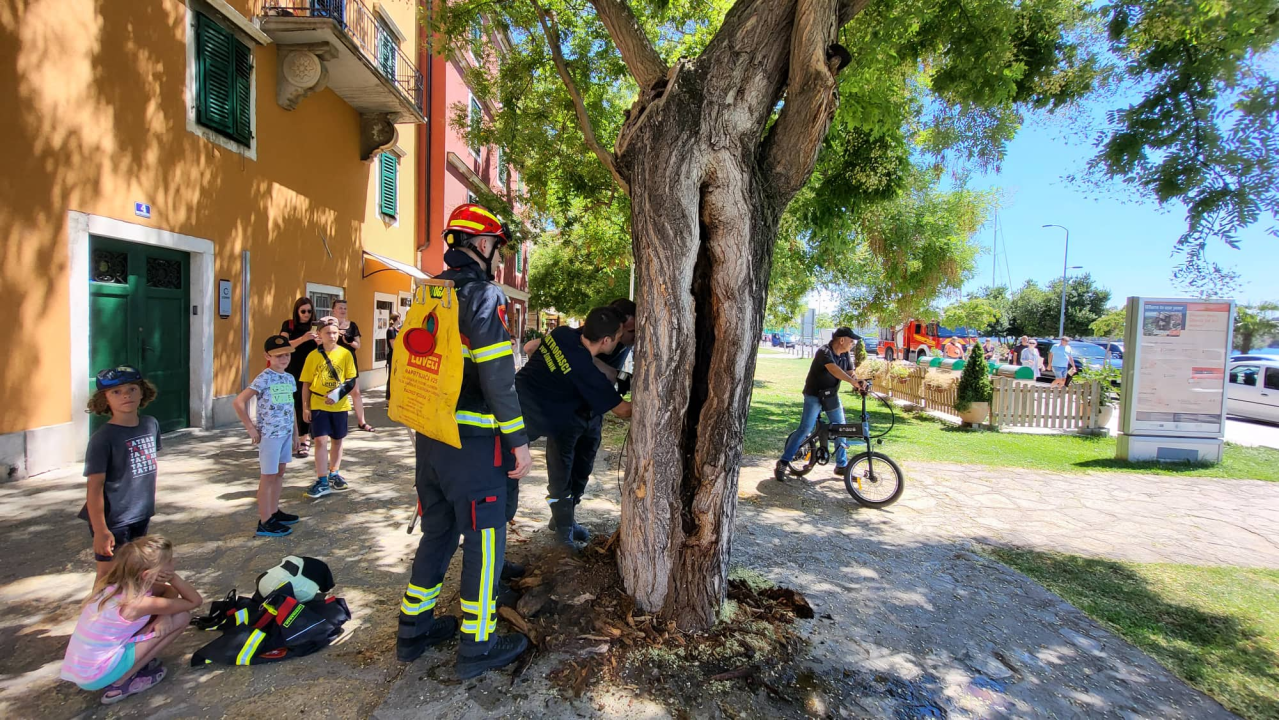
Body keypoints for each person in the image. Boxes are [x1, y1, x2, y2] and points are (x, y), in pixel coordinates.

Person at [397, 203, 532, 678]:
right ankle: (478, 646)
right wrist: (517, 439)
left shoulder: (429, 293)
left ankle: (412, 631)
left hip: (430, 437)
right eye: (494, 244)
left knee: (437, 531)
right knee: (486, 539)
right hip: (473, 443)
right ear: (480, 245)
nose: (496, 254)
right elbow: (497, 373)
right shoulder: (481, 294)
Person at [516, 306, 632, 549]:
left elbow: (532, 348)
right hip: (523, 425)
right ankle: (562, 532)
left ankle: (564, 521)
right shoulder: (586, 373)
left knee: (578, 471)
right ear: (606, 340)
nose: (622, 343)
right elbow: (623, 411)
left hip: (515, 409)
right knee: (556, 475)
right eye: (620, 338)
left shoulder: (561, 334)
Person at [60, 536, 202, 705]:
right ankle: (122, 682)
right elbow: (194, 601)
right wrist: (173, 577)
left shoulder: (117, 586)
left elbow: (168, 592)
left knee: (168, 616)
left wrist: (163, 616)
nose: (175, 562)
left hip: (84, 672)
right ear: (148, 574)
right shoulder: (138, 603)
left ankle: (125, 668)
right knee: (181, 617)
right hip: (97, 674)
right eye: (170, 561)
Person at [82, 366, 163, 580]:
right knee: (109, 573)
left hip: (141, 512)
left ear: (143, 391)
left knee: (135, 568)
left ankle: (126, 612)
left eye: (132, 388)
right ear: (104, 399)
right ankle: (96, 613)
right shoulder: (103, 438)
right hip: (114, 519)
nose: (126, 395)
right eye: (116, 392)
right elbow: (95, 486)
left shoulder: (150, 424)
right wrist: (100, 530)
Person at [232, 336, 302, 537]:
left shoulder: (289, 378)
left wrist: (296, 434)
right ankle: (264, 520)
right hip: (270, 435)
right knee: (268, 476)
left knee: (280, 473)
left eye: (287, 354)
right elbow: (239, 402)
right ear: (267, 356)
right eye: (278, 355)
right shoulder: (264, 377)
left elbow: (291, 407)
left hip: (285, 433)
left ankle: (274, 511)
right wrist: (251, 429)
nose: (284, 359)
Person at [775, 328, 864, 481]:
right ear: (842, 340)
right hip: (814, 396)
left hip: (831, 396)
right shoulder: (824, 352)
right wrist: (851, 382)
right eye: (851, 341)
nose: (853, 344)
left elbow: (850, 372)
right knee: (805, 428)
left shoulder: (845, 355)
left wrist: (857, 380)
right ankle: (783, 462)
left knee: (841, 428)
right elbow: (834, 369)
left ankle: (841, 466)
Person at [300, 316, 359, 499]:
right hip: (319, 404)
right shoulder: (313, 356)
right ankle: (321, 478)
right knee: (320, 440)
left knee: (338, 440)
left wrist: (337, 395)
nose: (332, 336)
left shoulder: (345, 354)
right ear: (320, 335)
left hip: (340, 405)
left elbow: (351, 379)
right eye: (328, 333)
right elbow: (306, 383)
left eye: (334, 333)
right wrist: (305, 407)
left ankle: (335, 472)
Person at [280, 298, 320, 458]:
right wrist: (303, 338)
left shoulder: (316, 326)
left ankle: (306, 439)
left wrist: (319, 342)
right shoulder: (289, 325)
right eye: (303, 311)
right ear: (297, 311)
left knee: (308, 403)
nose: (306, 314)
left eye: (309, 311)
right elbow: (282, 345)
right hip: (293, 369)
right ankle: (296, 437)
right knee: (295, 403)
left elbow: (323, 348)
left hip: (312, 369)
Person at [332, 298, 375, 432]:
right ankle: (332, 422)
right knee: (334, 391)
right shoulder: (329, 325)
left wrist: (348, 341)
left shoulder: (352, 325)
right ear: (334, 310)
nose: (342, 310)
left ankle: (362, 422)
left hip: (349, 361)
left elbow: (358, 345)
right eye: (340, 308)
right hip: (332, 362)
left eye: (344, 308)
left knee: (355, 392)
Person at [385, 312, 401, 403]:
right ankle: (389, 398)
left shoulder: (397, 330)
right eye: (399, 318)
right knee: (391, 376)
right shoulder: (391, 330)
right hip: (393, 356)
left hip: (397, 356)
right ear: (397, 318)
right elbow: (393, 345)